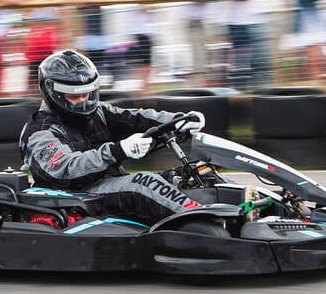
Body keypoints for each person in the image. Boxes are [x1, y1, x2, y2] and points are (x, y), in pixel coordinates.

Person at [19, 50, 205, 225]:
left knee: (192, 174)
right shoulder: (40, 132)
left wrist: (177, 121)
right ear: (54, 94)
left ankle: (216, 218)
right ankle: (206, 222)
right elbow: (66, 170)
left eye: (86, 94)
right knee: (144, 182)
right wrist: (118, 150)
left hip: (109, 184)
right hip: (77, 196)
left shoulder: (98, 112)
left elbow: (135, 118)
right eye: (74, 96)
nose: (83, 101)